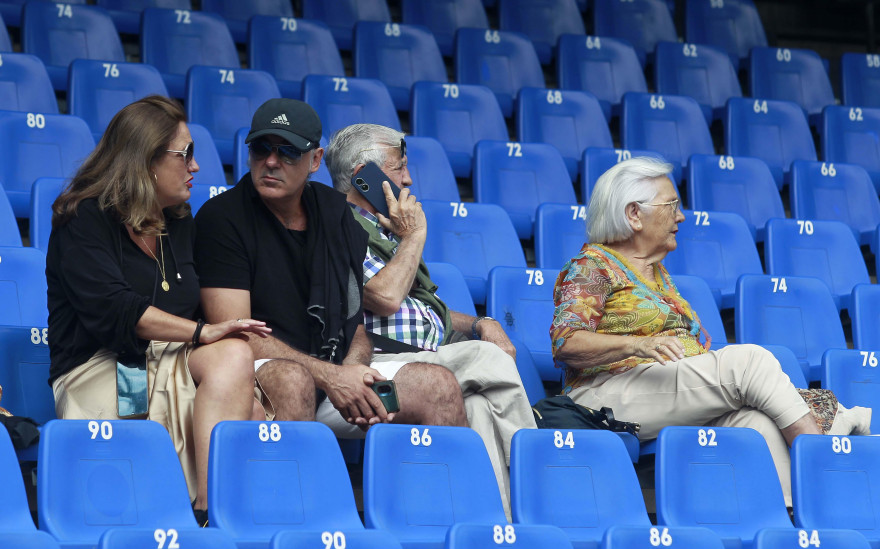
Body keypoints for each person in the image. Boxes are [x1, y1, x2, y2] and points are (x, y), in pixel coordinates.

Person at [550, 156, 870, 503]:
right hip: (603, 397)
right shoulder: (592, 264)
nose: (681, 216)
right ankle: (827, 467)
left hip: (659, 391)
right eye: (671, 205)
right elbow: (566, 342)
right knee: (750, 362)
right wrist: (636, 345)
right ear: (633, 214)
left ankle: (794, 523)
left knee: (756, 424)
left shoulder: (657, 273)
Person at [194, 99, 466, 444]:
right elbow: (235, 335)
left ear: (315, 160)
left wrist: (353, 371)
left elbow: (355, 324)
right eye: (261, 149)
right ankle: (292, 498)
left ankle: (452, 498)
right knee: (295, 381)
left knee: (438, 386)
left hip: (335, 376)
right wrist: (331, 376)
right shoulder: (222, 218)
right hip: (261, 373)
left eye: (288, 151)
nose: (271, 162)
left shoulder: (334, 211)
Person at [47, 96, 270, 514]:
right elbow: (116, 308)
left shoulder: (179, 222)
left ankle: (209, 512)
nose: (196, 167)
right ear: (145, 159)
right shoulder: (85, 218)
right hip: (98, 364)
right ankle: (205, 515)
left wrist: (212, 334)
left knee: (237, 361)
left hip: (167, 361)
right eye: (185, 155)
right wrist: (202, 332)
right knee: (247, 410)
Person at [325, 123, 537, 516]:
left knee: (478, 406)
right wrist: (415, 235)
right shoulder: (340, 224)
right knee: (491, 359)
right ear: (363, 177)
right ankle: (536, 476)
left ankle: (500, 519)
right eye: (398, 168)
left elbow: (422, 306)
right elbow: (385, 297)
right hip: (384, 360)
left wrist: (478, 323)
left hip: (426, 352)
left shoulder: (382, 228)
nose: (407, 179)